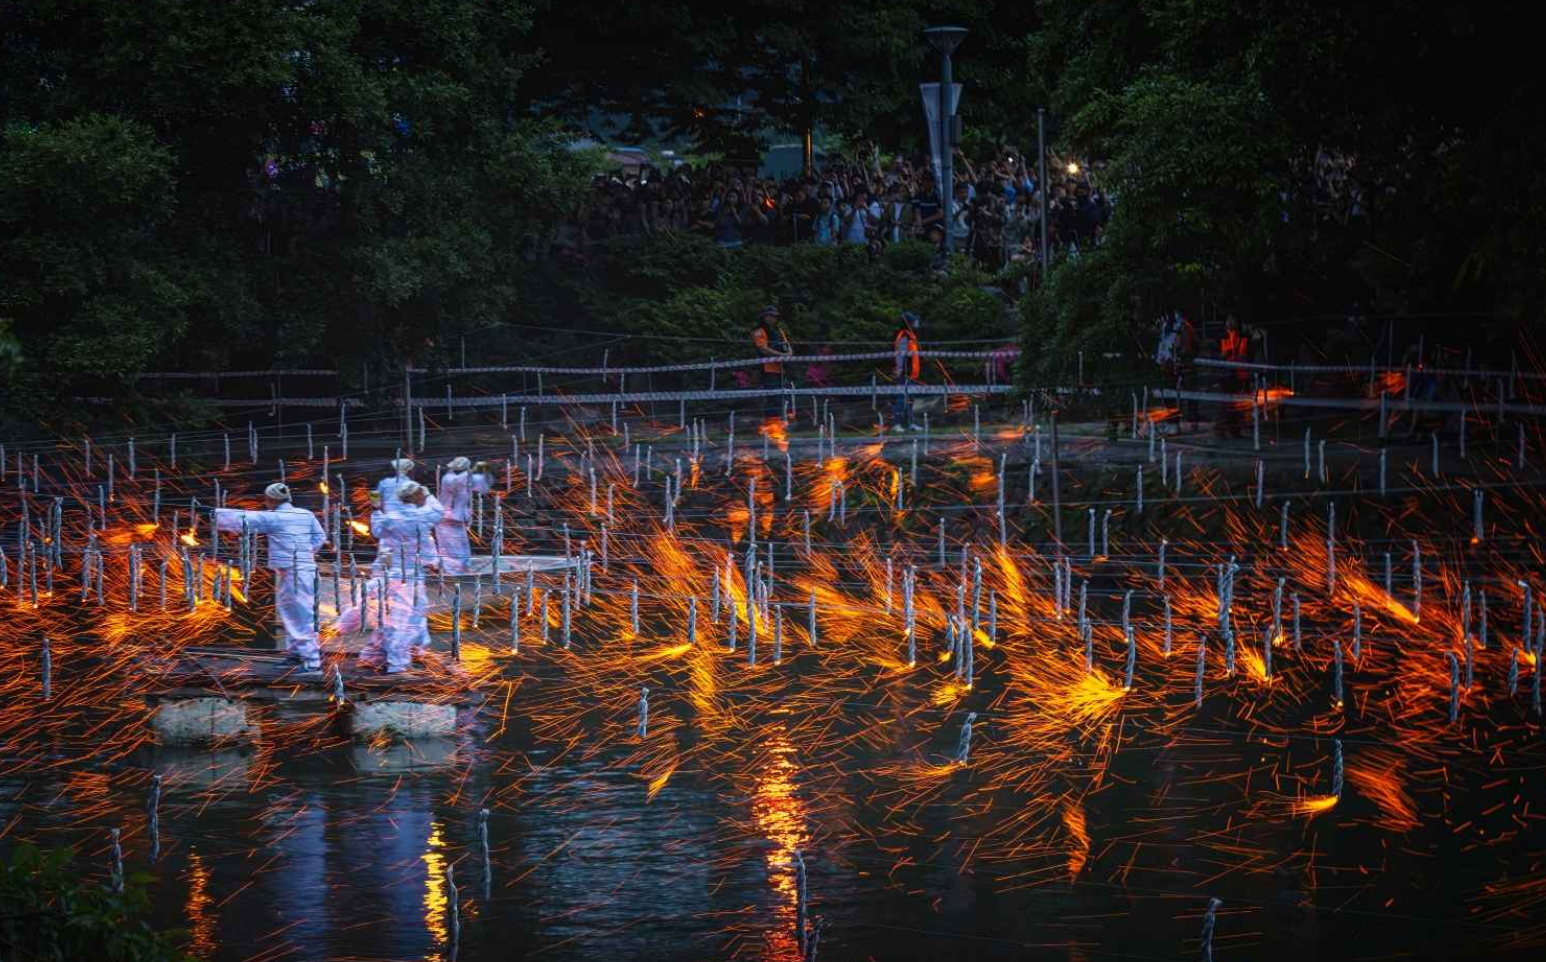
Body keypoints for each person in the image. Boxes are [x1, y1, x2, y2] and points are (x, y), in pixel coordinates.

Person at [214, 482, 327, 671]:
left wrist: (215, 514)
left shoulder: (275, 518)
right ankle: (297, 654)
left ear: (271, 500)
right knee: (293, 613)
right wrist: (306, 554)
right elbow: (320, 538)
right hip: (300, 569)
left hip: (295, 571)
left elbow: (246, 519)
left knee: (301, 614)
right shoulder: (306, 515)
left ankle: (311, 661)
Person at [364, 481, 444, 672]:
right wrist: (433, 562)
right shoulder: (423, 516)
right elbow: (438, 512)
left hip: (394, 575)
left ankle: (379, 654)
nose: (423, 497)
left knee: (395, 617)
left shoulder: (390, 517)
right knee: (409, 620)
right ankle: (397, 662)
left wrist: (376, 509)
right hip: (413, 576)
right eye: (420, 494)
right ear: (413, 497)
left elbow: (377, 531)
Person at [436, 457, 492, 575]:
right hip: (446, 515)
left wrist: (484, 471)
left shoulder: (466, 477)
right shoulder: (448, 478)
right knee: (449, 544)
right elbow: (457, 483)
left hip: (456, 515)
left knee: (461, 542)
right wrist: (473, 470)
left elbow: (483, 486)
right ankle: (452, 571)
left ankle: (462, 567)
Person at [751, 306, 793, 419]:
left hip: (782, 368)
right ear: (763, 317)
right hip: (767, 369)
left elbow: (787, 345)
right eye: (769, 316)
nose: (772, 318)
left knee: (783, 395)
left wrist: (788, 355)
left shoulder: (779, 331)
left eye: (774, 316)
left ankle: (780, 422)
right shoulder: (759, 331)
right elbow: (762, 349)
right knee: (773, 397)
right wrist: (781, 356)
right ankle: (771, 423)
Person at [1217, 315, 1251, 437]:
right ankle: (1221, 429)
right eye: (1229, 319)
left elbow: (1245, 354)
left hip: (1239, 374)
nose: (1231, 322)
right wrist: (1225, 356)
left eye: (1233, 319)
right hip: (1226, 374)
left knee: (1236, 404)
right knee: (1226, 403)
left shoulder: (1243, 337)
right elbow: (1218, 355)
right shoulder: (1222, 336)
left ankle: (1234, 430)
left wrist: (1232, 357)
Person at [891, 311, 922, 431]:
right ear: (909, 323)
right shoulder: (905, 336)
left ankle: (911, 423)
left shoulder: (910, 336)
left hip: (911, 374)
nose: (917, 322)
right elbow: (900, 356)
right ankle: (896, 424)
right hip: (905, 373)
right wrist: (899, 369)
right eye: (915, 320)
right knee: (901, 399)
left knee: (910, 399)